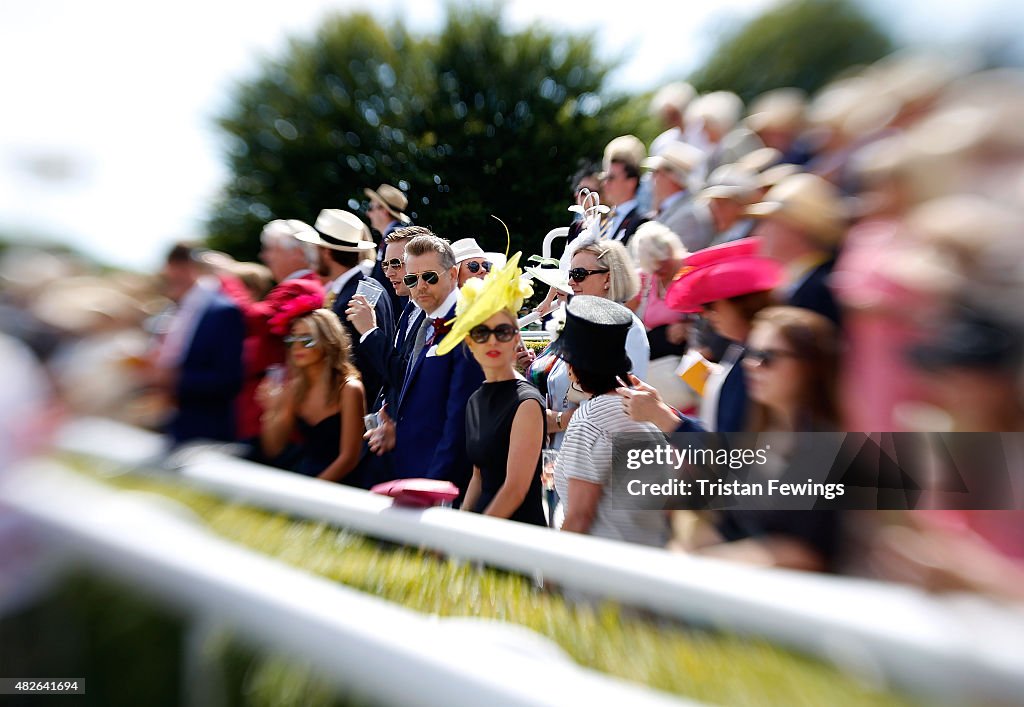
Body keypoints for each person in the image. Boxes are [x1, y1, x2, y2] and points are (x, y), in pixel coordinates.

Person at [366, 233, 485, 495]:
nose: (420, 286)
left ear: (453, 274)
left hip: (440, 482)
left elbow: (459, 422)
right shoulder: (428, 323)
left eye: (430, 277)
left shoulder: (466, 325)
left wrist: (434, 487)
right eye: (412, 278)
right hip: (410, 467)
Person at [435, 253, 546, 525]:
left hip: (515, 536)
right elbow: (478, 476)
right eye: (481, 333)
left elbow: (515, 490)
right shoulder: (475, 399)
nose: (492, 341)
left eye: (503, 332)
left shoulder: (527, 403)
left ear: (516, 338)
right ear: (470, 343)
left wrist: (471, 535)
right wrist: (459, 526)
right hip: (482, 532)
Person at [552, 296, 670, 546]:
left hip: (604, 568)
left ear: (572, 367)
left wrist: (550, 576)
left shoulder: (589, 420)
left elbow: (580, 516)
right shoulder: (643, 408)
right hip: (648, 558)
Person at [665, 238, 783, 432]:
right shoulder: (741, 348)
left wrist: (663, 417)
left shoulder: (758, 358)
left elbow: (728, 453)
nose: (706, 314)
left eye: (711, 305)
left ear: (742, 303)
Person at [297, 209, 394, 407]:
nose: (311, 255)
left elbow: (367, 362)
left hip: (357, 411)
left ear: (327, 252)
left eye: (315, 248)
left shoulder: (360, 294)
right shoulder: (361, 288)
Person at [259, 307, 367, 484]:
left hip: (341, 484)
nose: (297, 347)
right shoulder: (296, 389)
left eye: (307, 340)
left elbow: (349, 457)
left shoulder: (349, 388)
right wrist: (271, 410)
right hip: (305, 476)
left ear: (328, 341)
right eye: (291, 340)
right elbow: (274, 448)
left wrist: (313, 490)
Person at [154, 243, 244, 445]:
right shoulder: (178, 308)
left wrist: (175, 379)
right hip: (174, 421)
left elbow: (229, 378)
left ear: (184, 268)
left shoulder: (223, 311)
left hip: (205, 428)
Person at [746, 172, 848, 327]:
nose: (759, 232)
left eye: (770, 222)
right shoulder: (803, 282)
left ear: (797, 227)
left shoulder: (822, 289)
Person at [641, 142, 713, 251]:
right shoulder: (672, 209)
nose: (652, 178)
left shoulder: (689, 215)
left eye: (655, 172)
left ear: (671, 177)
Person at [364, 182, 412, 320]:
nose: (368, 213)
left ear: (384, 210)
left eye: (371, 207)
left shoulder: (395, 238)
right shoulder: (395, 235)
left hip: (394, 318)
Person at [597, 135, 649, 245]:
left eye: (611, 178)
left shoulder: (641, 221)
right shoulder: (605, 218)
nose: (605, 184)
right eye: (604, 177)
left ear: (631, 182)